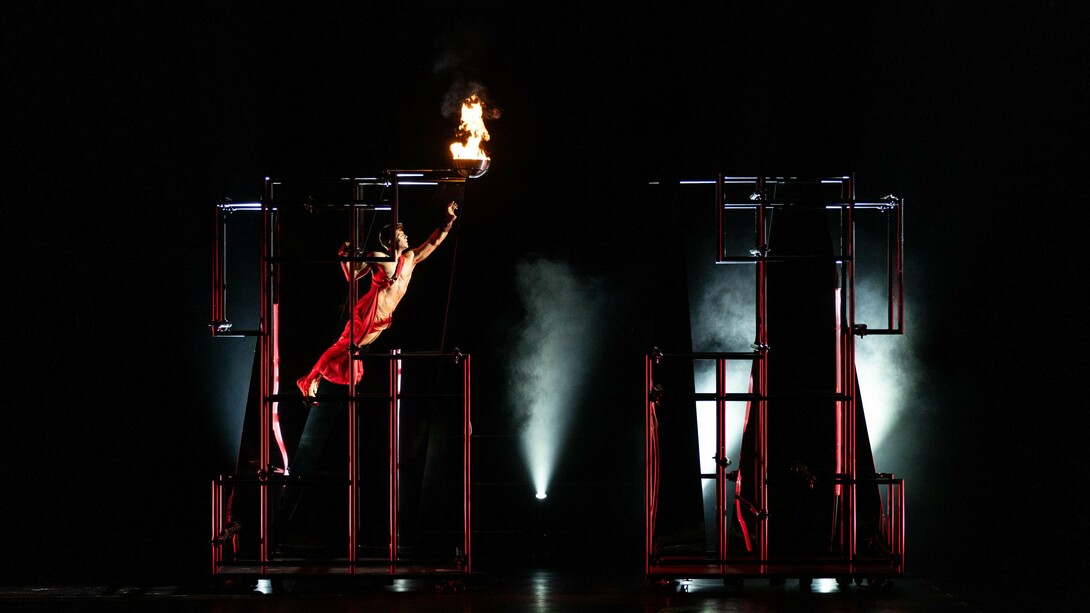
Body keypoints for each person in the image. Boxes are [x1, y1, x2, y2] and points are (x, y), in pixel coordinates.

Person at [296, 200, 459, 398]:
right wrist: (345, 257)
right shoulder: (378, 257)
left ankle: (313, 379)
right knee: (345, 345)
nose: (406, 236)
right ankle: (308, 381)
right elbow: (352, 276)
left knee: (352, 349)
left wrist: (448, 221)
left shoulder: (409, 259)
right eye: (400, 234)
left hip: (383, 318)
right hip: (368, 311)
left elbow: (433, 242)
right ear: (391, 240)